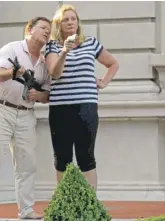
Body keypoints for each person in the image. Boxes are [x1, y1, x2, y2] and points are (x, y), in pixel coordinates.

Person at [0, 17, 52, 221]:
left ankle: (27, 210)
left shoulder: (44, 63)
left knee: (27, 164)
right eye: (43, 28)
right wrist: (14, 72)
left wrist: (39, 96)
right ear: (29, 29)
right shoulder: (11, 49)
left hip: (26, 113)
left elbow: (48, 93)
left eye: (49, 30)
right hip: (0, 109)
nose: (47, 32)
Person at [45, 4, 119, 190]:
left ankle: (90, 206)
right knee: (63, 157)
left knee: (86, 156)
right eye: (65, 20)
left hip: (86, 107)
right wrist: (64, 51)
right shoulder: (52, 46)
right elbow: (55, 73)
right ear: (59, 25)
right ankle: (65, 204)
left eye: (73, 19)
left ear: (78, 23)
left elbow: (113, 64)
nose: (70, 23)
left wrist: (104, 82)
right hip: (61, 109)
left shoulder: (90, 42)